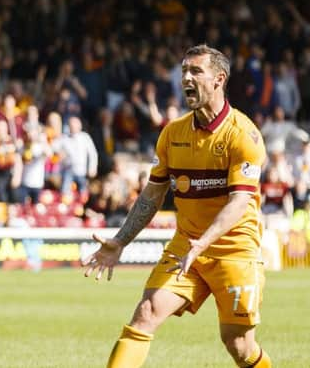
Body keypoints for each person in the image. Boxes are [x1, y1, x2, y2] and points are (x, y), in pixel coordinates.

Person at [83, 45, 272, 368]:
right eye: (184, 70)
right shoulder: (172, 134)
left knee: (238, 344)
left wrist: (205, 241)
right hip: (186, 248)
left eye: (196, 71)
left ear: (219, 80)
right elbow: (151, 196)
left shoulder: (244, 135)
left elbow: (240, 201)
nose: (186, 77)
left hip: (234, 249)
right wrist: (120, 241)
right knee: (145, 313)